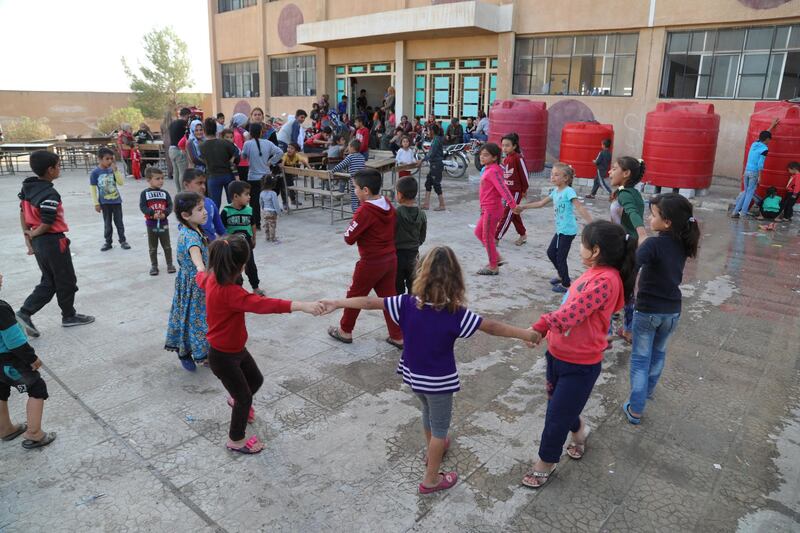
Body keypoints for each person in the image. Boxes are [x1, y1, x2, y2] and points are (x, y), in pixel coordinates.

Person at [321, 246, 536, 493]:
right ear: (456, 279)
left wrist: (337, 302)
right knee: (441, 428)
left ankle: (433, 449)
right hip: (439, 382)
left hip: (413, 376)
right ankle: (431, 479)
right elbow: (493, 327)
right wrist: (526, 334)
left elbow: (369, 302)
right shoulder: (455, 314)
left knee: (427, 412)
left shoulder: (405, 303)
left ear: (420, 272)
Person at [521, 220, 634, 489]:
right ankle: (580, 432)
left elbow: (573, 313)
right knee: (559, 406)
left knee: (556, 415)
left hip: (581, 364)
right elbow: (567, 306)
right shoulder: (592, 272)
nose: (580, 249)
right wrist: (548, 334)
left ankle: (545, 462)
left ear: (595, 250)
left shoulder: (607, 280)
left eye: (583, 245)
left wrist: (541, 325)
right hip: (558, 354)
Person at [198, 236, 321, 454]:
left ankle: (235, 399)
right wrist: (301, 305)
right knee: (244, 398)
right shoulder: (231, 293)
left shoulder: (211, 277)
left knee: (256, 380)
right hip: (223, 356)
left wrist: (199, 267)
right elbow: (264, 304)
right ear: (241, 266)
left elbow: (200, 276)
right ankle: (235, 440)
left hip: (235, 349)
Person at [623, 194, 699, 425]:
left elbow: (635, 263)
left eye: (653, 214)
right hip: (672, 311)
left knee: (640, 359)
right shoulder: (683, 242)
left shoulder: (654, 244)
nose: (648, 217)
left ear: (667, 222)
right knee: (659, 353)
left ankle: (636, 408)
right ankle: (647, 391)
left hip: (648, 311)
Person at [16, 151, 95, 337]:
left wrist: (29, 239)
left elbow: (22, 213)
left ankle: (26, 313)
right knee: (65, 279)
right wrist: (35, 233)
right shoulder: (49, 193)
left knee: (50, 280)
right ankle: (66, 316)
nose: (59, 169)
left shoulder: (28, 187)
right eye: (58, 166)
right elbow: (47, 222)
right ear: (50, 170)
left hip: (39, 243)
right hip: (52, 240)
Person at [326, 169, 402, 348]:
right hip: (390, 259)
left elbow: (348, 238)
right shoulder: (388, 204)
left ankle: (345, 330)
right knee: (389, 299)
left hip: (370, 262)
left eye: (355, 188)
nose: (354, 191)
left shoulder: (364, 211)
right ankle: (397, 336)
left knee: (354, 297)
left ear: (365, 190)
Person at [515, 163, 592, 290]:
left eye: (556, 175)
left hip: (568, 230)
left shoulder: (569, 191)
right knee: (551, 253)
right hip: (560, 230)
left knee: (560, 257)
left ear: (566, 178)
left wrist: (591, 222)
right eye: (552, 174)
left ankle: (566, 284)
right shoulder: (556, 192)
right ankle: (562, 275)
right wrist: (523, 207)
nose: (553, 177)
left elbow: (579, 206)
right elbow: (540, 203)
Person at [0, 273, 56, 449]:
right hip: (10, 360)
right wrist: (32, 358)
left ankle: (5, 429)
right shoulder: (1, 309)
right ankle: (34, 433)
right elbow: (14, 340)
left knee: (0, 391)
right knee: (36, 387)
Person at [165, 192, 209, 371]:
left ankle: (204, 352)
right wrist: (201, 269)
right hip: (194, 284)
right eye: (200, 209)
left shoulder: (194, 227)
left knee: (202, 319)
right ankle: (185, 352)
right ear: (185, 215)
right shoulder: (190, 236)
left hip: (200, 284)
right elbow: (195, 253)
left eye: (204, 207)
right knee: (192, 319)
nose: (205, 212)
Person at [608, 156, 647, 343]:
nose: (610, 172)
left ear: (626, 173)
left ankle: (606, 332)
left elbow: (631, 212)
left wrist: (642, 233)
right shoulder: (633, 192)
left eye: (614, 168)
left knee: (610, 287)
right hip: (629, 245)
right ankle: (628, 329)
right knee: (628, 289)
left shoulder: (624, 194)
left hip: (624, 246)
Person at [474, 143, 518, 275]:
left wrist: (513, 205)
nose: (482, 157)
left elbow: (503, 188)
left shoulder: (493, 170)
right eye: (481, 154)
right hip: (486, 209)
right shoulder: (489, 168)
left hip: (492, 210)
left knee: (487, 237)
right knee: (478, 232)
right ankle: (496, 257)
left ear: (494, 157)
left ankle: (493, 266)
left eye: (486, 155)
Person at [221, 181, 263, 296]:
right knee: (234, 268)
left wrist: (254, 239)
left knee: (251, 266)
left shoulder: (249, 210)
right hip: (232, 247)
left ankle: (256, 287)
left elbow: (253, 225)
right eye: (246, 194)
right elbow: (222, 229)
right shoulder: (226, 211)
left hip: (247, 244)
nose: (249, 197)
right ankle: (237, 289)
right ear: (235, 196)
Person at [732, 118, 779, 218]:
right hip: (754, 173)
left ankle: (735, 212)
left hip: (747, 171)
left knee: (745, 192)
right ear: (767, 140)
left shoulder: (754, 144)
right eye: (769, 139)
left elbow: (763, 136)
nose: (769, 141)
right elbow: (760, 164)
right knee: (749, 194)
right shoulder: (765, 149)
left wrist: (771, 125)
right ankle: (743, 213)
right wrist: (759, 177)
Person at [241, 123, 283, 230]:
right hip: (266, 177)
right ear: (261, 132)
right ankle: (269, 221)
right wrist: (271, 162)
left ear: (250, 133)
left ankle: (257, 224)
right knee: (267, 201)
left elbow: (243, 156)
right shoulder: (268, 143)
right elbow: (280, 152)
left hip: (253, 177)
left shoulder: (247, 144)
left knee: (254, 202)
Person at [90, 147, 129, 252]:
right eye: (107, 159)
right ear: (99, 159)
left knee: (119, 222)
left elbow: (121, 183)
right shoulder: (95, 173)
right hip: (104, 202)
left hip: (116, 201)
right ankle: (108, 242)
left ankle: (123, 240)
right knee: (107, 223)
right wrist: (96, 203)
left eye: (111, 159)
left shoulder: (113, 170)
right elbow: (93, 189)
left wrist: (116, 171)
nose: (110, 161)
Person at [494, 133, 529, 246]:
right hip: (507, 191)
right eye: (503, 145)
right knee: (514, 214)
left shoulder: (518, 158)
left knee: (507, 214)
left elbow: (525, 175)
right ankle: (523, 235)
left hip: (516, 192)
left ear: (514, 146)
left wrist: (524, 190)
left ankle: (496, 238)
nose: (504, 148)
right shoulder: (507, 158)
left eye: (507, 145)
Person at [139, 167, 175, 276]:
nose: (161, 181)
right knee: (153, 247)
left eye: (162, 178)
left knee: (167, 245)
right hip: (151, 225)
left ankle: (170, 264)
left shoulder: (165, 193)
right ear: (149, 180)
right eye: (157, 178)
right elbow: (142, 206)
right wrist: (151, 213)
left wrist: (165, 213)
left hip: (163, 224)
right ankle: (154, 265)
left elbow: (170, 205)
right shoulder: (144, 194)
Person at [395, 177, 427, 294]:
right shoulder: (422, 214)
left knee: (397, 288)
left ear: (400, 194)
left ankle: (399, 309)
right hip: (414, 255)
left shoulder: (395, 213)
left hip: (397, 255)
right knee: (414, 287)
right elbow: (422, 237)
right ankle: (413, 310)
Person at [200, 117, 238, 209]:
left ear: (204, 131)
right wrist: (232, 160)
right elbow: (236, 152)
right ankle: (232, 220)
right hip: (228, 175)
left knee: (214, 204)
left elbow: (200, 160)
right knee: (232, 202)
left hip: (212, 176)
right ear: (216, 130)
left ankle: (215, 222)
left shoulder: (201, 146)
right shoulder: (224, 143)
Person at [183, 169, 226, 242]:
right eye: (199, 183)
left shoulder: (210, 203)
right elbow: (182, 228)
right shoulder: (182, 204)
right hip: (192, 245)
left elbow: (220, 228)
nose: (203, 187)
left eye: (204, 183)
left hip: (211, 245)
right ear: (186, 185)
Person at [331, 140, 367, 212]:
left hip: (354, 181)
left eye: (349, 146)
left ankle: (356, 214)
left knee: (354, 199)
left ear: (352, 148)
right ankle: (361, 212)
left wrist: (332, 171)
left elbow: (341, 165)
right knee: (361, 198)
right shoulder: (362, 157)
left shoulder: (350, 157)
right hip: (363, 180)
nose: (348, 148)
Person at [421, 123, 445, 211]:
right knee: (428, 183)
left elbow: (431, 153)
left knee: (436, 184)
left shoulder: (436, 140)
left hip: (436, 165)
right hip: (433, 165)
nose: (427, 132)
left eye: (428, 130)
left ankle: (442, 205)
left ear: (432, 131)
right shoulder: (435, 139)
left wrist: (422, 160)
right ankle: (426, 204)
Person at [168, 108, 192, 192]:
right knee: (182, 172)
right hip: (179, 149)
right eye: (189, 116)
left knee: (176, 172)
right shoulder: (183, 123)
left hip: (171, 149)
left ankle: (178, 191)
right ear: (186, 115)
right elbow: (187, 136)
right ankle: (183, 190)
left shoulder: (172, 123)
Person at [281, 143, 308, 208]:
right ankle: (285, 203)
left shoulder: (297, 155)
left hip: (289, 172)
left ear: (296, 151)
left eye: (291, 148)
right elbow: (281, 165)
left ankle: (293, 200)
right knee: (283, 188)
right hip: (282, 172)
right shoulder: (285, 155)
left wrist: (310, 169)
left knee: (291, 186)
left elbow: (305, 162)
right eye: (288, 147)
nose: (289, 149)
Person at [259, 176, 282, 242]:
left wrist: (263, 209)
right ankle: (273, 238)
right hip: (272, 212)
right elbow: (276, 204)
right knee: (272, 225)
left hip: (265, 211)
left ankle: (267, 237)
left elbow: (261, 202)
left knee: (266, 224)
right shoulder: (273, 193)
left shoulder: (261, 193)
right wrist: (279, 212)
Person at [230, 113, 250, 181]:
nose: (246, 124)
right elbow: (240, 150)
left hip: (240, 163)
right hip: (242, 164)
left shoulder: (235, 132)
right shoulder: (237, 134)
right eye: (245, 122)